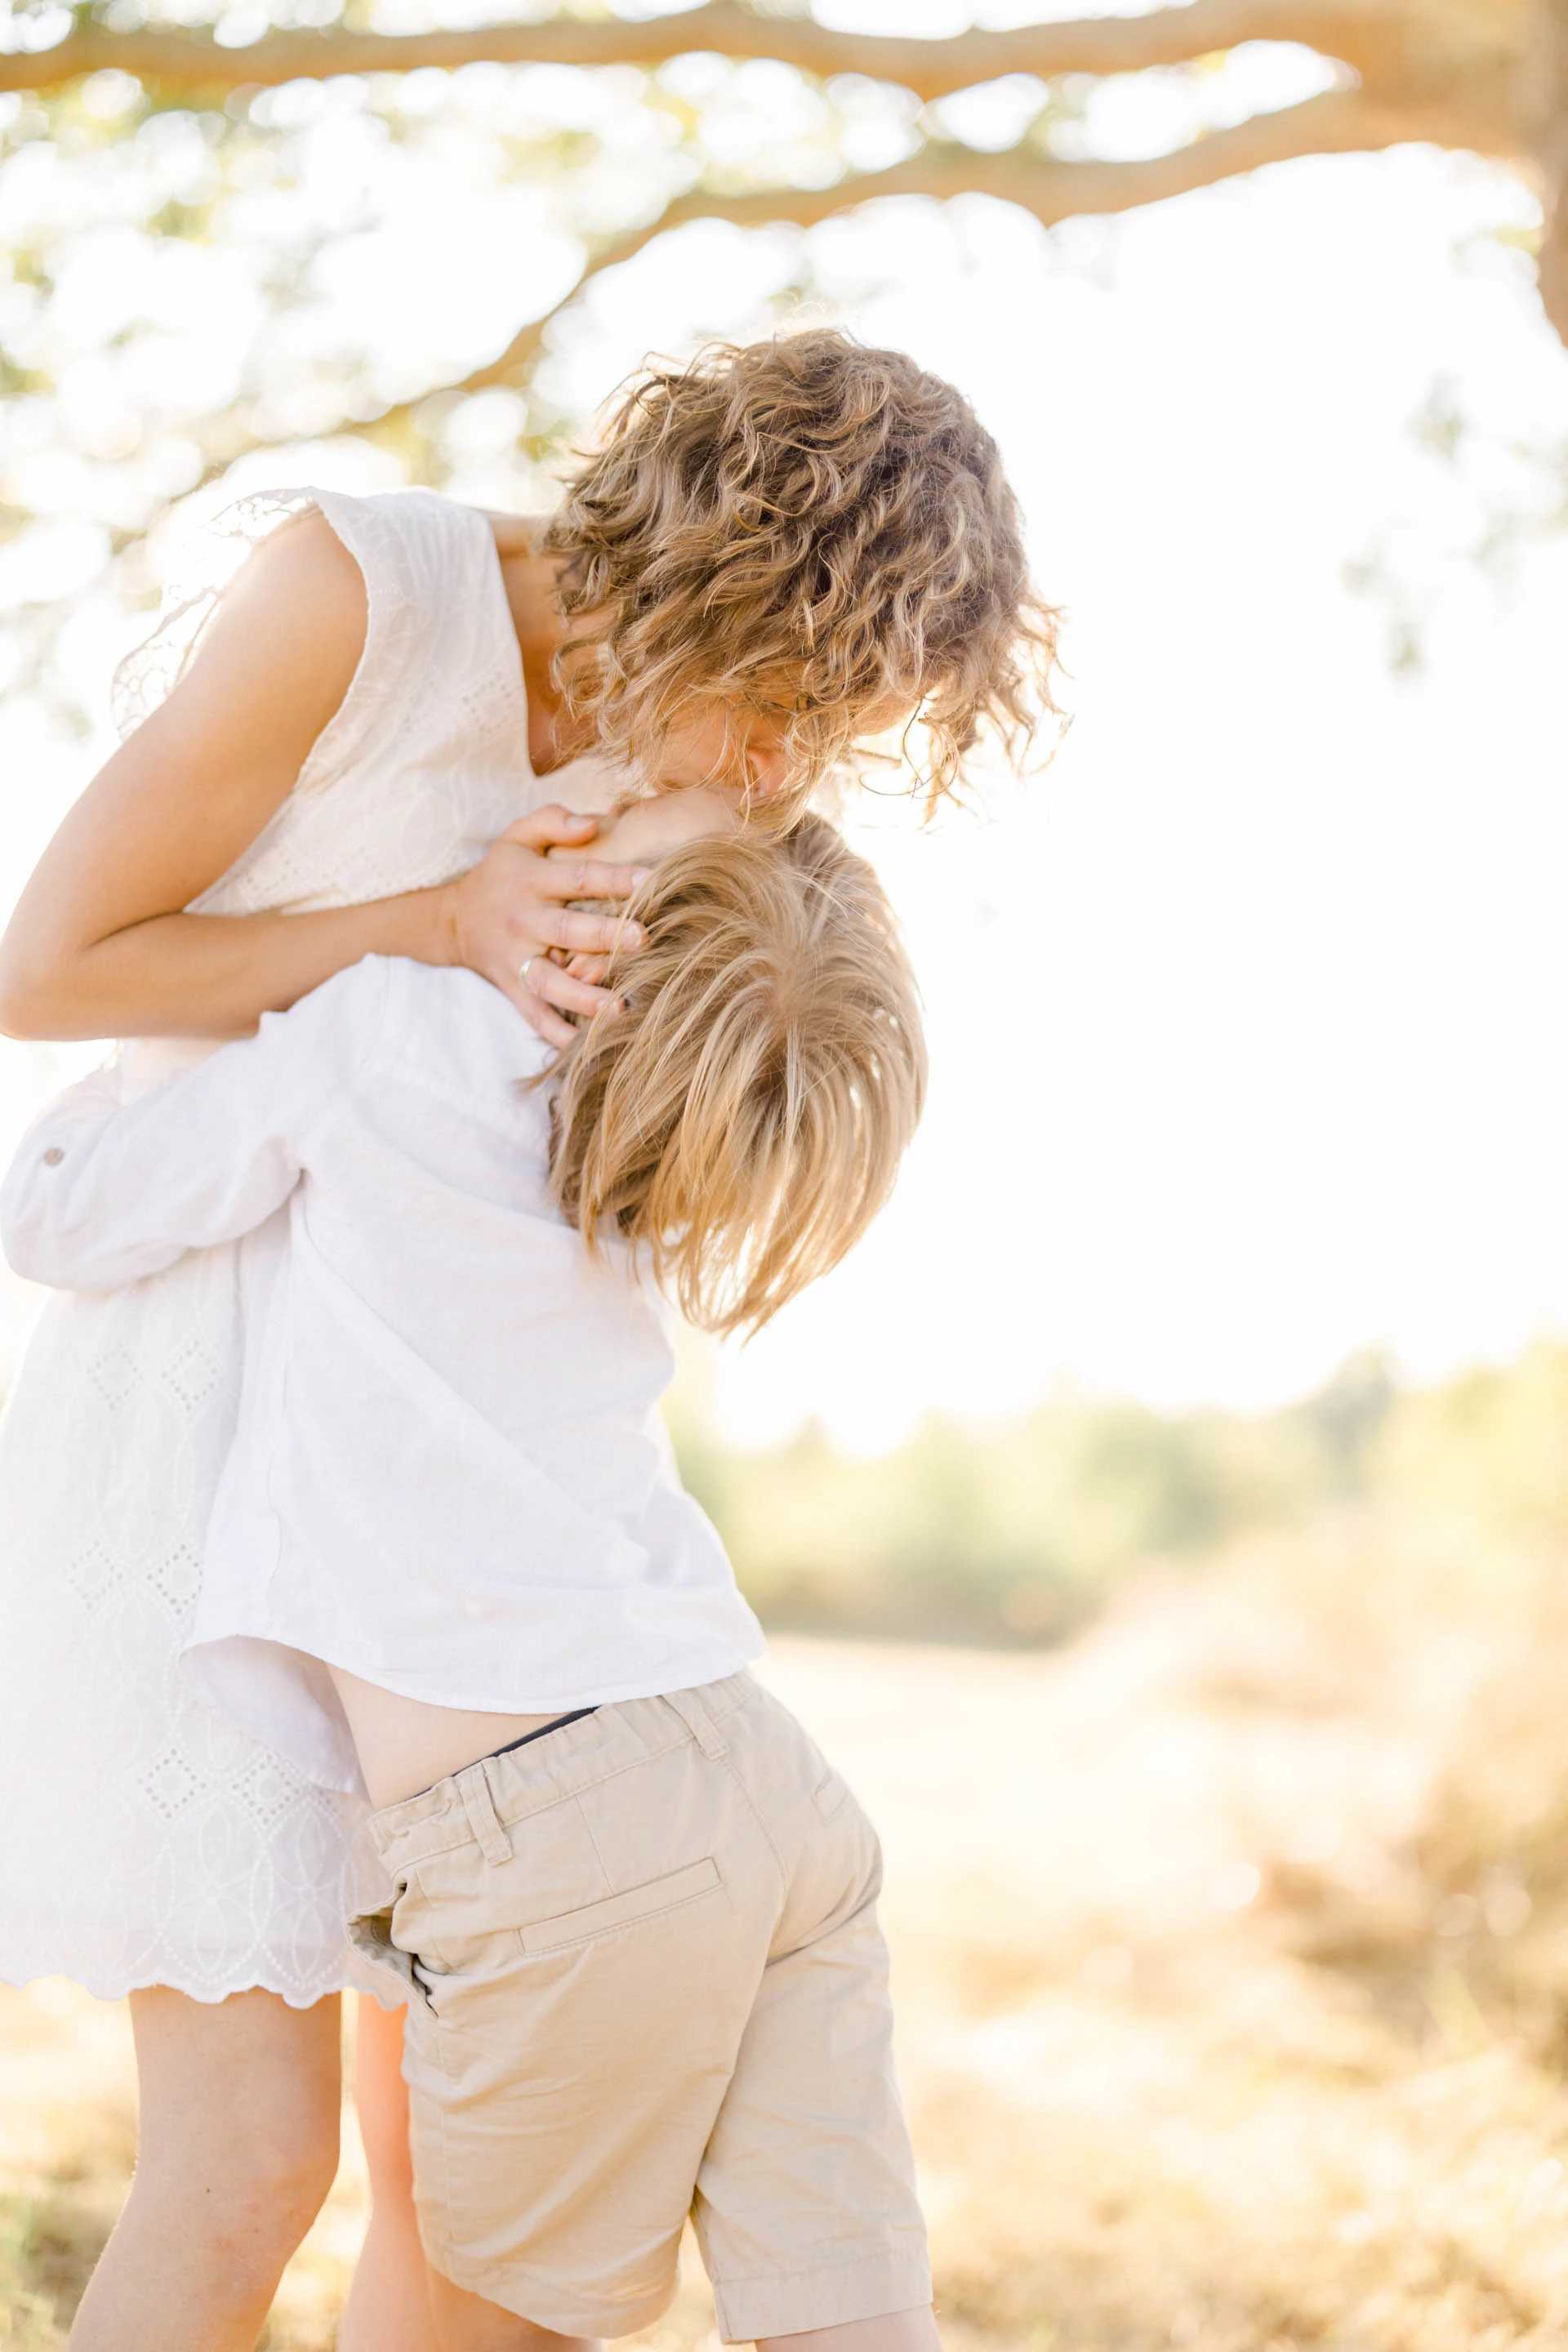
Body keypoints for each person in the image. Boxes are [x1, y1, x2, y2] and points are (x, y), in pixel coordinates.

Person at [0, 327, 1053, 2351]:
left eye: (837, 733)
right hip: (209, 1413)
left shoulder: (685, 784)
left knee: (448, 2177)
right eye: (789, 700)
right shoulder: (360, 591)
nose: (778, 773)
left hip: (447, 1490)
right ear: (713, 578)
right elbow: (49, 971)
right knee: (244, 2168)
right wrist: (429, 923)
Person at [3, 790, 933, 2352]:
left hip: (572, 1848)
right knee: (850, 2322)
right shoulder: (643, 1139)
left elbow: (65, 1218)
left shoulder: (394, 1032)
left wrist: (140, 1072)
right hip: (767, 1782)